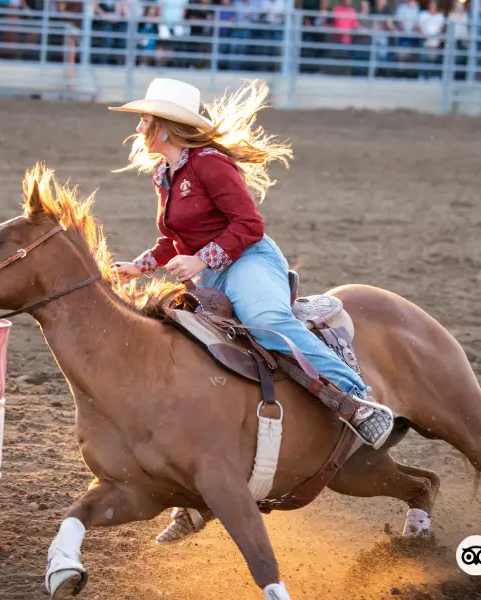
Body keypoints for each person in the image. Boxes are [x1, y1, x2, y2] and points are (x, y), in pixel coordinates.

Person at [108, 77, 395, 544]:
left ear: (165, 126)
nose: (139, 125)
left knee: (266, 323)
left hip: (249, 260)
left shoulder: (210, 165)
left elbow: (249, 224)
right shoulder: (166, 172)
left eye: (145, 118)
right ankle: (199, 494)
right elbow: (173, 237)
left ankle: (358, 400)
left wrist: (202, 259)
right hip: (214, 271)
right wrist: (138, 268)